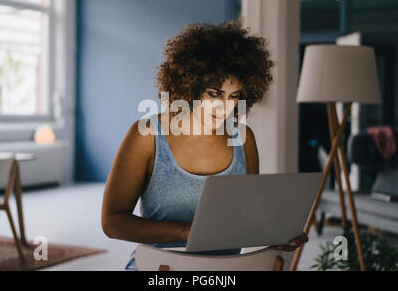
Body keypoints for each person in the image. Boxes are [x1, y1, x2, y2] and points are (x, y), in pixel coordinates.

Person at [101, 20, 308, 271]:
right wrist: (186, 231)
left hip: (225, 270)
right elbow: (113, 222)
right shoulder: (147, 135)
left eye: (234, 96)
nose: (225, 106)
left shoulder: (243, 138)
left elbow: (247, 219)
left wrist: (279, 236)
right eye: (214, 93)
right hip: (160, 267)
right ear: (189, 87)